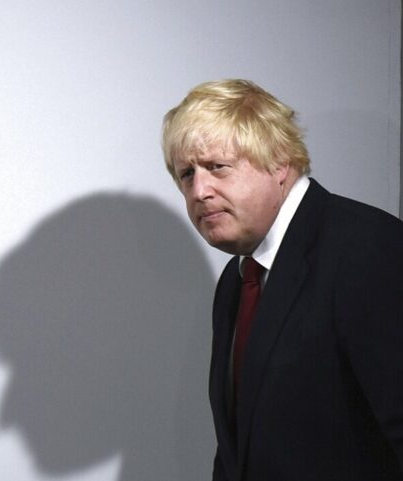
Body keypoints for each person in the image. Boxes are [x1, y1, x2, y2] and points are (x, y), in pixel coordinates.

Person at [161, 79, 403, 481]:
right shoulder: (237, 281)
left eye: (217, 166)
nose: (199, 190)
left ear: (279, 162)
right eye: (187, 174)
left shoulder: (367, 249)